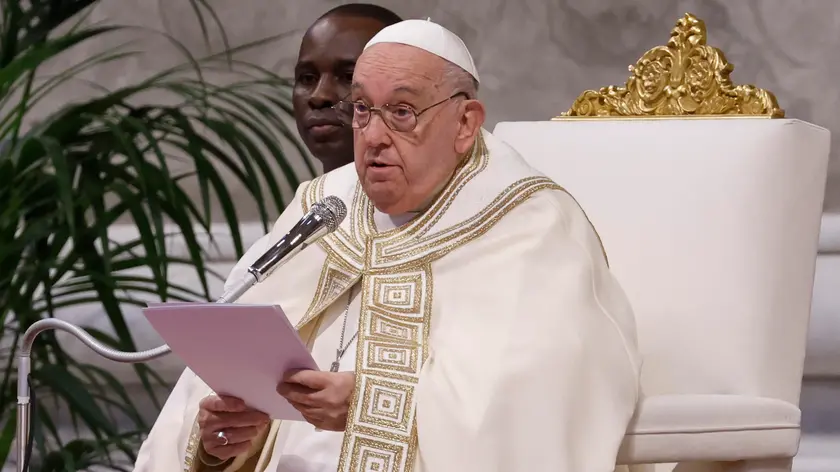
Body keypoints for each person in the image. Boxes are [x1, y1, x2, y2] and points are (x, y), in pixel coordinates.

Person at [133, 19, 642, 472]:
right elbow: (227, 394)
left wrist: (367, 406)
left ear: (465, 123)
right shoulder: (325, 207)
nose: (373, 136)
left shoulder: (528, 225)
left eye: (401, 112)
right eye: (361, 110)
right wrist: (229, 445)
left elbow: (535, 408)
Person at [293, 4, 402, 174]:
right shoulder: (303, 201)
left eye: (349, 77)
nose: (319, 96)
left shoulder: (452, 199)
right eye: (308, 78)